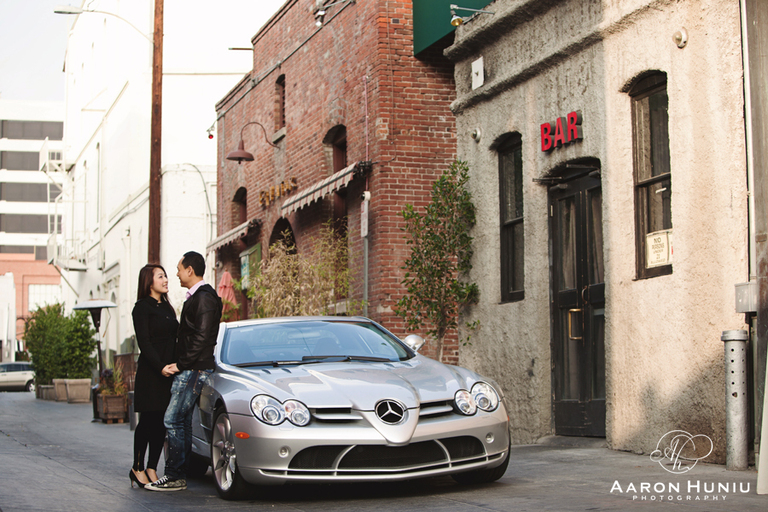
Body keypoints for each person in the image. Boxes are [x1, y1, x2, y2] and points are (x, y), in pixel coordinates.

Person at [145, 251, 222, 492]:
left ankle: (174, 475)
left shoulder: (204, 298)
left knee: (172, 418)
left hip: (193, 369)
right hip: (193, 367)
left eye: (179, 269)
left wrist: (181, 365)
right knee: (183, 420)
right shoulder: (198, 297)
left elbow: (201, 337)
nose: (176, 274)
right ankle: (182, 471)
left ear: (190, 270)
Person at [129, 264, 178, 489]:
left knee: (161, 423)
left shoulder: (168, 308)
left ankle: (151, 467)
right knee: (147, 421)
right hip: (152, 372)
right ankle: (137, 467)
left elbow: (176, 337)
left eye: (166, 275)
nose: (166, 279)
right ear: (149, 281)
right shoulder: (141, 308)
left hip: (169, 372)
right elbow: (144, 343)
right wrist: (160, 367)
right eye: (161, 276)